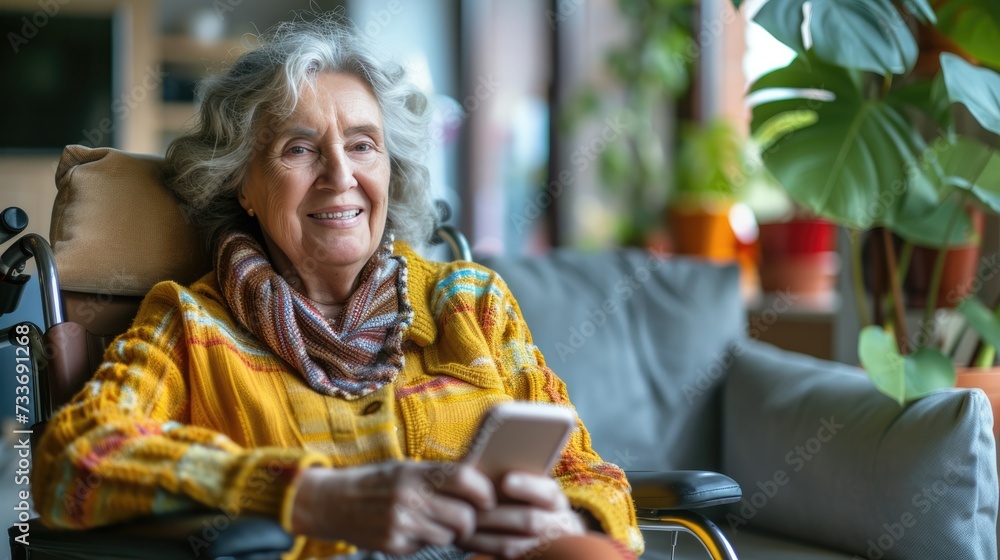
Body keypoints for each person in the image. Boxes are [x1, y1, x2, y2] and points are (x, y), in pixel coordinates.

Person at [32, 14, 644, 560]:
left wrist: (564, 515)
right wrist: (310, 495)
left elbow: (589, 474)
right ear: (242, 184)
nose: (340, 175)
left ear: (389, 169)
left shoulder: (471, 303)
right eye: (300, 149)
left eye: (362, 145)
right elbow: (71, 460)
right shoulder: (191, 324)